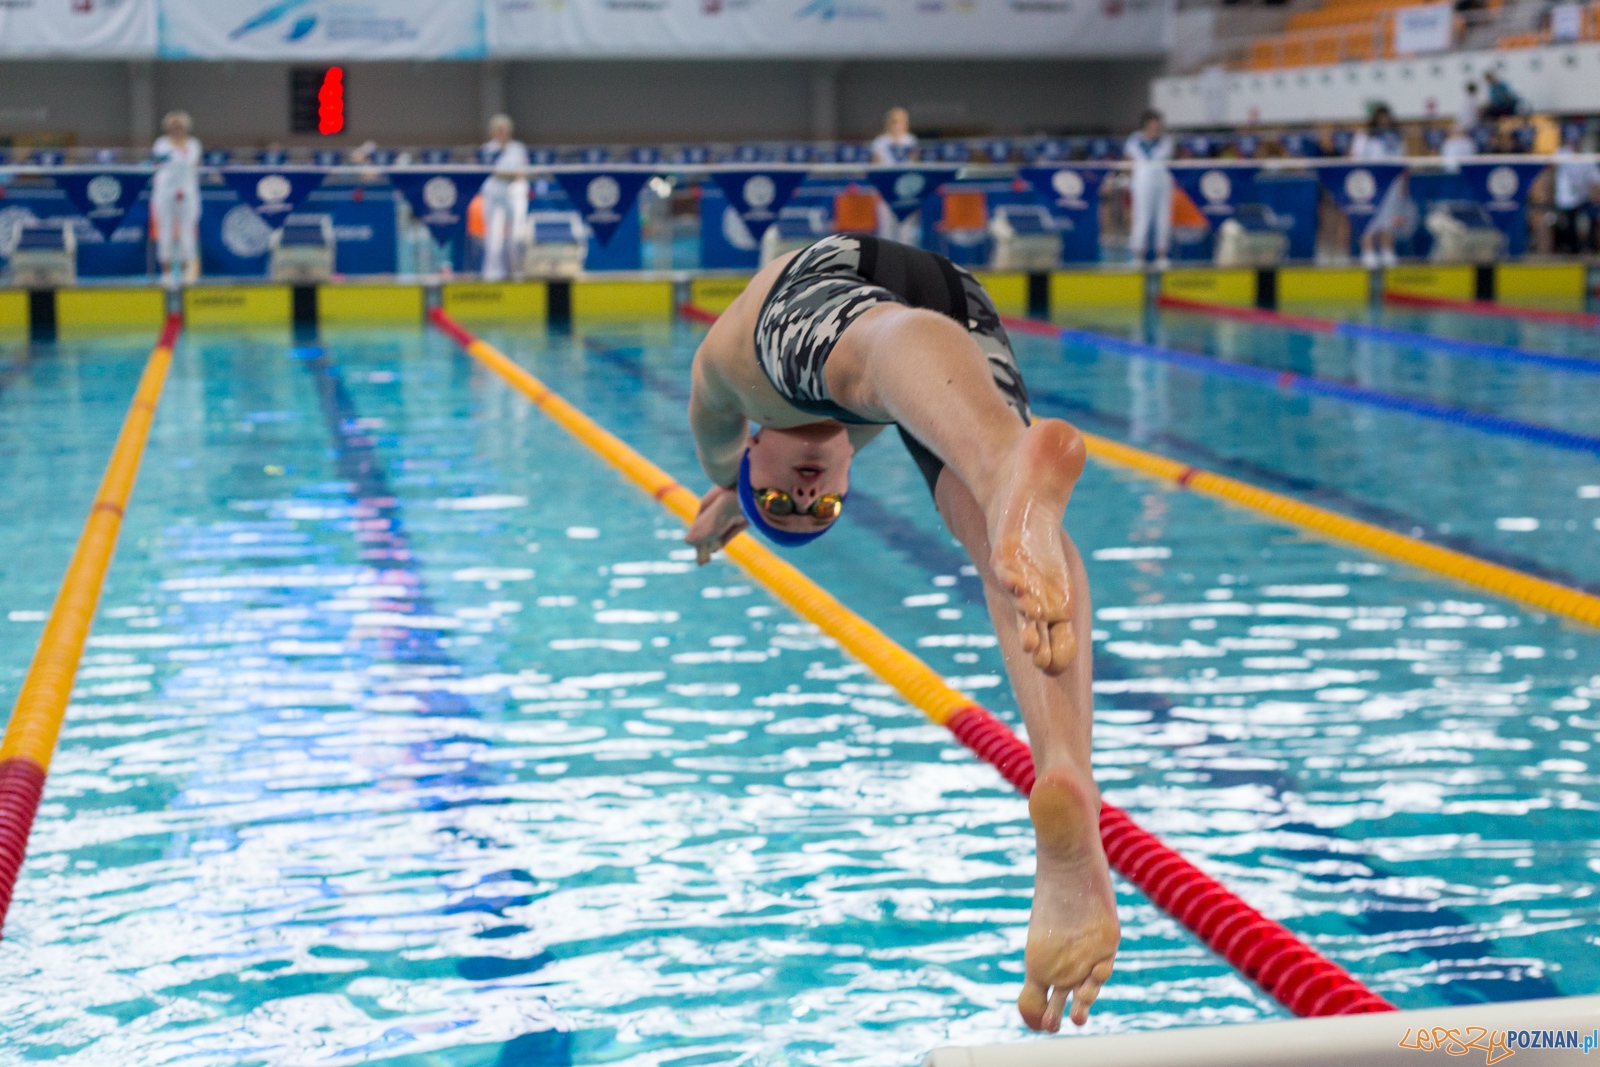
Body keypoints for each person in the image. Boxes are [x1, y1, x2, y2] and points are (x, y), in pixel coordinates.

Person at [685, 233, 1117, 1034]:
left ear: (755, 452)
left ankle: (1008, 480)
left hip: (838, 289)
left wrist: (724, 493)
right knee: (999, 545)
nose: (805, 499)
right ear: (847, 473)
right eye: (818, 511)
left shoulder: (735, 385)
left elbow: (715, 439)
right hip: (957, 299)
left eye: (779, 498)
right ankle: (1065, 774)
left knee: (869, 361)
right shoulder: (849, 425)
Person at [1350, 104, 1406, 268]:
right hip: (1371, 181)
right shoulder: (1365, 135)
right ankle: (1367, 251)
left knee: (1389, 217)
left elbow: (1401, 159)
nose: (1384, 120)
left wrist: (1401, 182)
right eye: (1381, 117)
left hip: (1391, 181)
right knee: (1369, 216)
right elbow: (1356, 158)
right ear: (1375, 118)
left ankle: (1387, 250)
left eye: (1386, 116)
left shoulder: (1395, 136)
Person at [151, 110, 202, 286]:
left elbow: (189, 163)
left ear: (186, 128)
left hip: (187, 192)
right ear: (167, 129)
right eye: (173, 127)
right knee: (164, 232)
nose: (177, 130)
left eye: (180, 127)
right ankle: (166, 273)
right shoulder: (161, 144)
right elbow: (160, 162)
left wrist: (177, 155)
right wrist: (176, 155)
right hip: (164, 193)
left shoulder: (194, 145)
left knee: (187, 233)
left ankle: (187, 272)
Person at [480, 114, 529, 281]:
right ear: (492, 132)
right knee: (493, 238)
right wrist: (507, 174)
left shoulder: (518, 149)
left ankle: (517, 274)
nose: (500, 133)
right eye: (497, 130)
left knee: (516, 237)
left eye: (503, 130)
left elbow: (521, 174)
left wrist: (503, 174)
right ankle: (493, 275)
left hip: (515, 196)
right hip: (494, 197)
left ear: (509, 131)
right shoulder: (487, 150)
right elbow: (487, 172)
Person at [1124, 108, 1175, 270]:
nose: (1156, 127)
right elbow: (1127, 161)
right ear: (1146, 123)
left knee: (1163, 218)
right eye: (1153, 123)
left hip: (1162, 182)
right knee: (1142, 217)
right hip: (1142, 182)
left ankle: (1162, 255)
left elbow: (1170, 159)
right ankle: (1138, 255)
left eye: (1158, 124)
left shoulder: (1166, 141)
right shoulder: (1134, 140)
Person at [1553, 126, 1600, 254]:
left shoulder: (1587, 155)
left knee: (1592, 215)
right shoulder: (1561, 153)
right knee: (1569, 222)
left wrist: (1595, 198)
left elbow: (1595, 180)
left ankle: (1589, 248)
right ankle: (1571, 250)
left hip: (1583, 198)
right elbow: (1551, 172)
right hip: (1566, 199)